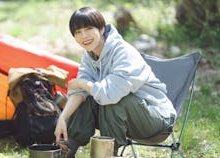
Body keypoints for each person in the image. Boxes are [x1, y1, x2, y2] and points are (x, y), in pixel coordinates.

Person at [54, 6, 177, 157]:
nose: (83, 36)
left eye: (88, 28)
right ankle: (67, 147)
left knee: (111, 96)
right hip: (122, 119)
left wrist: (82, 83)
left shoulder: (123, 52)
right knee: (87, 93)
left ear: (101, 29)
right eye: (78, 32)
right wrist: (63, 117)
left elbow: (109, 94)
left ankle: (107, 154)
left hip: (156, 122)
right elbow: (80, 91)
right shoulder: (89, 56)